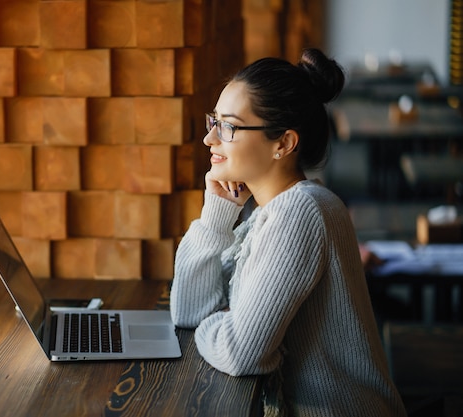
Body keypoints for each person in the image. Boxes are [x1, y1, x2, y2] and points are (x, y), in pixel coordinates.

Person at [170, 48, 407, 417]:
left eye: (228, 127)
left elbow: (240, 351)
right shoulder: (268, 213)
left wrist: (215, 323)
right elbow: (187, 310)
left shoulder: (300, 214)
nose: (210, 140)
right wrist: (218, 213)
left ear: (283, 143)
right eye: (212, 122)